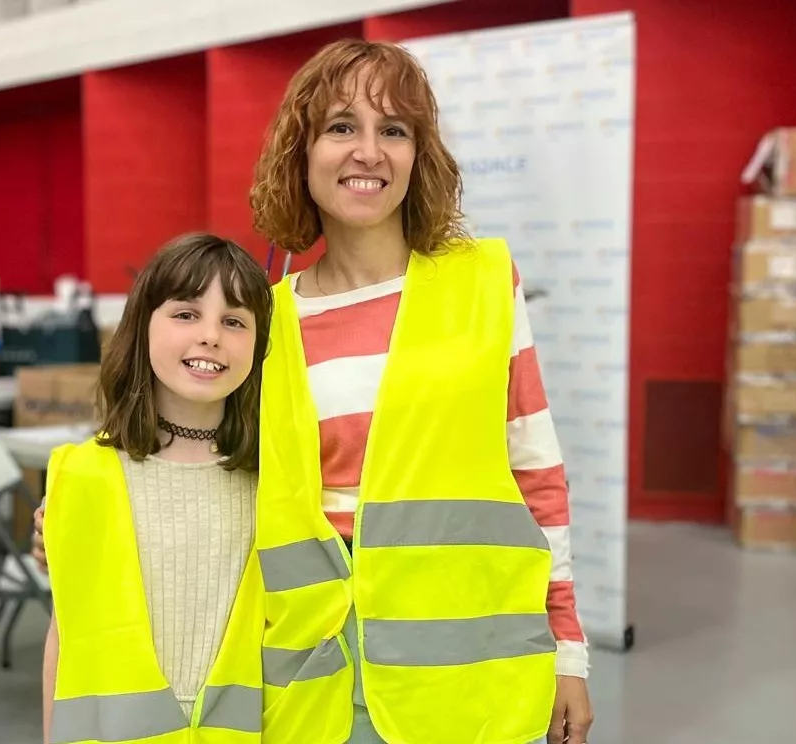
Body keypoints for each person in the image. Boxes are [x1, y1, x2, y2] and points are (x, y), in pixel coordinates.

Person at [244, 39, 595, 743]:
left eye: (393, 130)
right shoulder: (266, 320)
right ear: (302, 152)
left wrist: (569, 647)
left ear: (418, 154)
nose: (368, 150)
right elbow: (214, 477)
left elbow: (537, 475)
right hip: (320, 680)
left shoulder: (483, 284)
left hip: (473, 676)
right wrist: (78, 514)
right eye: (342, 126)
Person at [40, 233, 273, 742]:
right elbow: (67, 635)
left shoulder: (278, 482)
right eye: (186, 314)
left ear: (259, 347)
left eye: (234, 321)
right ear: (142, 325)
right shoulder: (84, 475)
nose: (211, 335)